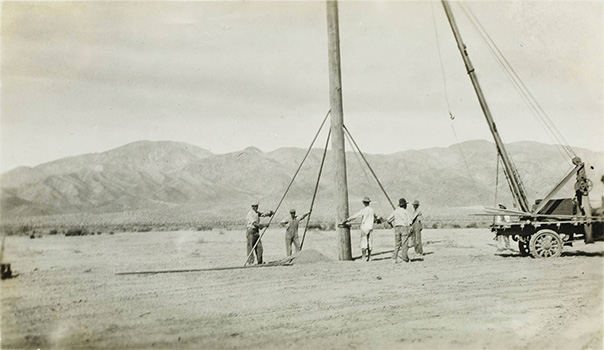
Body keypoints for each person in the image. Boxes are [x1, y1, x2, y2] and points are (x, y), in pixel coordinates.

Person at [342, 196, 380, 261]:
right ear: (369, 203)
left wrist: (346, 220)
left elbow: (355, 216)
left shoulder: (363, 210)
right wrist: (377, 220)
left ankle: (364, 257)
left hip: (364, 228)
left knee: (364, 242)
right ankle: (370, 257)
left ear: (364, 203)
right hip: (370, 227)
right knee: (370, 242)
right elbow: (378, 217)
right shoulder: (372, 210)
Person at [387, 198, 412, 263]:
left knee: (397, 244)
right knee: (404, 244)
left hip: (397, 228)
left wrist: (392, 226)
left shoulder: (395, 211)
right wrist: (409, 230)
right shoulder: (406, 212)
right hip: (404, 228)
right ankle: (404, 259)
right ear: (404, 205)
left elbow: (388, 220)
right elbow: (410, 222)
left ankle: (394, 259)